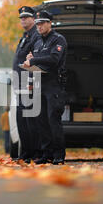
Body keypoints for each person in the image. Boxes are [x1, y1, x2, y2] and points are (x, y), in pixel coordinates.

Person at [22, 10, 67, 165]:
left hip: (54, 84)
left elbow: (54, 59)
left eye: (42, 23)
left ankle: (58, 155)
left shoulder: (58, 39)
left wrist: (34, 60)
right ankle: (46, 153)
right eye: (38, 24)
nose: (39, 26)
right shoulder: (38, 42)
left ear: (50, 23)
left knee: (53, 120)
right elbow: (33, 62)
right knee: (41, 121)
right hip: (39, 83)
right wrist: (29, 82)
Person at [13, 6, 41, 162]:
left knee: (31, 121)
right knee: (22, 121)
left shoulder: (36, 36)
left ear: (33, 19)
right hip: (20, 84)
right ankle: (26, 154)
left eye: (26, 17)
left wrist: (30, 81)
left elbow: (34, 61)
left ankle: (34, 154)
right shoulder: (25, 36)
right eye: (21, 17)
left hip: (29, 84)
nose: (23, 19)